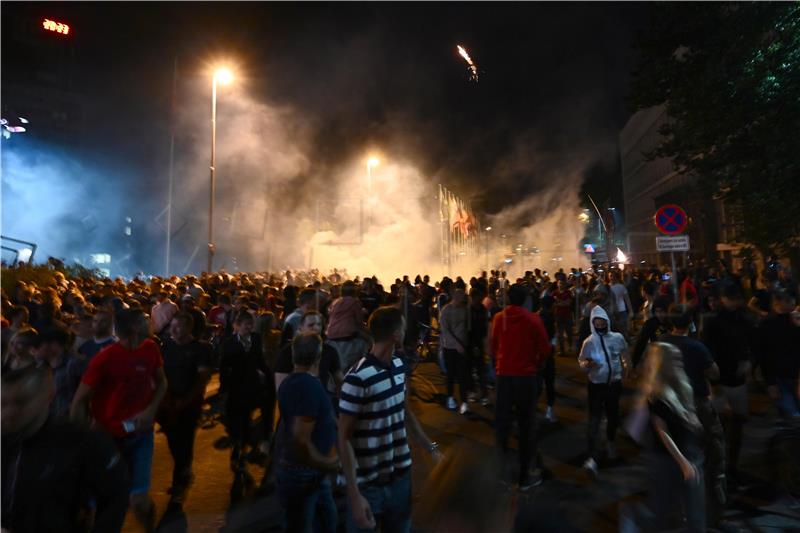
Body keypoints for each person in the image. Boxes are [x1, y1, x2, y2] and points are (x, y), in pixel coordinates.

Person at [339, 306, 441, 532]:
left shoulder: (398, 367)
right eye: (403, 329)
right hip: (368, 486)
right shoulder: (357, 378)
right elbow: (343, 437)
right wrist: (354, 495)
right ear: (396, 334)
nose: (405, 333)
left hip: (401, 481)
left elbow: (404, 411)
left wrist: (431, 448)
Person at [71, 308, 167, 532]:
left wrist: (150, 410)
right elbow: (79, 400)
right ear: (135, 328)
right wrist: (83, 437)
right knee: (102, 503)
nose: (151, 323)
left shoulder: (151, 348)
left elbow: (162, 382)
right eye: (145, 321)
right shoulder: (105, 357)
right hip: (108, 439)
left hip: (141, 435)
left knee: (139, 501)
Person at [2, 363, 129, 532]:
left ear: (48, 396)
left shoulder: (81, 440)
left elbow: (115, 496)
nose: (8, 413)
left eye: (21, 402)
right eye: (2, 404)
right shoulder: (6, 439)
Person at [660, 304, 727, 525]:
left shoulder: (660, 346)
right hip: (696, 405)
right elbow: (714, 373)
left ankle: (679, 509)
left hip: (668, 406)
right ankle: (713, 509)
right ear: (689, 323)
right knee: (713, 452)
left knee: (678, 456)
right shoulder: (697, 347)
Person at [276, 333, 340, 532]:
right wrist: (327, 463)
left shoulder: (292, 382)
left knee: (327, 520)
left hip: (311, 475)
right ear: (318, 357)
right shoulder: (308, 386)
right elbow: (300, 441)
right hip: (304, 475)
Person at [490, 283, 552, 490]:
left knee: (503, 426)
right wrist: (536, 363)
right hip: (526, 377)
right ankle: (526, 476)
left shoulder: (499, 318)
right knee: (526, 425)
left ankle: (501, 474)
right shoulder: (533, 319)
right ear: (526, 299)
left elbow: (492, 346)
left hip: (504, 377)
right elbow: (545, 348)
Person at [639, 342, 705, 532]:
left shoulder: (682, 384)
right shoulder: (656, 394)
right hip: (667, 459)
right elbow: (663, 432)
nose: (679, 362)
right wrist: (682, 462)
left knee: (693, 507)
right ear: (664, 364)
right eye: (674, 359)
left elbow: (688, 415)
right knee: (663, 507)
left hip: (689, 452)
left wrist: (693, 421)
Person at [157, 312, 212, 505]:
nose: (173, 329)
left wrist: (187, 400)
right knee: (173, 441)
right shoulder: (165, 347)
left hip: (189, 405)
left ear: (189, 328)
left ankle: (179, 482)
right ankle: (184, 472)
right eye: (172, 325)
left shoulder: (200, 349)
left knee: (185, 442)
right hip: (168, 405)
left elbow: (201, 378)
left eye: (178, 326)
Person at [702, 283, 754, 481]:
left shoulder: (743, 317)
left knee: (738, 423)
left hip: (736, 378)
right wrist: (712, 381)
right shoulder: (713, 321)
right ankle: (718, 466)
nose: (736, 302)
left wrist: (748, 360)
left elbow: (750, 341)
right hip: (720, 380)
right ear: (724, 299)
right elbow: (707, 350)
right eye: (733, 298)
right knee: (719, 426)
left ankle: (731, 465)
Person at [220, 310, 274, 484]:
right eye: (246, 324)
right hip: (236, 389)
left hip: (252, 386)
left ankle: (245, 451)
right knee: (239, 424)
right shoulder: (228, 343)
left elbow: (260, 361)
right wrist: (224, 389)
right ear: (236, 326)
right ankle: (239, 454)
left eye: (251, 324)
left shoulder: (255, 340)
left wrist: (270, 377)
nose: (249, 327)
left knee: (249, 420)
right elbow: (224, 367)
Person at [578, 306, 628, 478]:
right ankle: (592, 457)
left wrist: (626, 366)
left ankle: (611, 443)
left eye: (602, 319)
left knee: (613, 416)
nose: (599, 322)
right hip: (596, 386)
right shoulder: (589, 342)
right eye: (596, 320)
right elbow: (582, 362)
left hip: (614, 385)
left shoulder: (617, 337)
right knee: (594, 420)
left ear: (607, 320)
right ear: (592, 322)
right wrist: (587, 365)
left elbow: (624, 353)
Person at [275, 311, 343, 405]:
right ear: (301, 328)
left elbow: (339, 379)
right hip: (296, 401)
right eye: (311, 325)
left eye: (319, 324)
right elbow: (280, 385)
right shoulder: (288, 351)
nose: (316, 328)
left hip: (320, 401)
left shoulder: (329, 350)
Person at [757, 289, 800, 418]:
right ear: (777, 303)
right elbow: (763, 355)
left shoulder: (795, 320)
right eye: (788, 301)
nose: (793, 304)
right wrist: (770, 383)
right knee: (792, 416)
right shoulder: (767, 324)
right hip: (780, 377)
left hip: (795, 375)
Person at [32, 326, 85, 421]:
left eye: (39, 345)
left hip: (68, 420)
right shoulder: (41, 366)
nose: (35, 350)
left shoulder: (73, 364)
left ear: (54, 345)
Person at [439, 289, 471, 414]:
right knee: (451, 374)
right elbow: (445, 330)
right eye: (458, 295)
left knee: (463, 375)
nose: (461, 297)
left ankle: (464, 402)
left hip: (462, 347)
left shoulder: (465, 309)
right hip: (450, 348)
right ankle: (450, 397)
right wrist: (457, 344)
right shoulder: (446, 311)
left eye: (462, 295)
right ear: (453, 295)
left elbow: (468, 328)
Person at [326, 281, 369, 371]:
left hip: (331, 335)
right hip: (347, 335)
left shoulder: (335, 302)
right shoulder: (355, 302)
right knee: (370, 342)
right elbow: (359, 321)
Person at [631, 297, 671, 370]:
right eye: (657, 311)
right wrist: (634, 362)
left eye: (662, 311)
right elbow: (641, 342)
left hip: (671, 356)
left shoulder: (672, 322)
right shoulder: (650, 324)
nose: (659, 314)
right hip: (656, 357)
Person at [552, 280, 574, 356]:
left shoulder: (568, 292)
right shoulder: (555, 292)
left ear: (565, 285)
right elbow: (553, 304)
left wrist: (558, 301)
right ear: (557, 284)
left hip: (567, 315)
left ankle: (570, 346)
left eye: (562, 283)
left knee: (569, 333)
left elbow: (568, 303)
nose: (560, 285)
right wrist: (562, 303)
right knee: (559, 334)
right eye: (559, 283)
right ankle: (562, 351)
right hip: (558, 315)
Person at [609, 271, 633, 336]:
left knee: (620, 329)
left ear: (616, 278)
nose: (611, 278)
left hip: (619, 310)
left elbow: (627, 299)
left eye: (613, 276)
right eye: (610, 276)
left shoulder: (620, 287)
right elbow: (627, 299)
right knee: (618, 329)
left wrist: (630, 310)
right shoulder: (608, 287)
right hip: (615, 311)